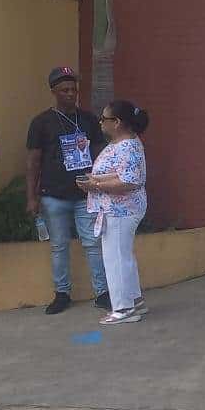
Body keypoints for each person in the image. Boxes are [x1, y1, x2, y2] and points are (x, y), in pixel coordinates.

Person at [26, 67, 110, 315]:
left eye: (73, 89)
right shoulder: (41, 122)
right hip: (53, 195)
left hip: (86, 193)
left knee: (93, 243)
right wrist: (31, 196)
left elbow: (100, 154)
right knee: (59, 246)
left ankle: (102, 292)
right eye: (64, 90)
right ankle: (62, 294)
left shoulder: (88, 119)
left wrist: (101, 185)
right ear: (53, 92)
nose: (70, 94)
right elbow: (33, 161)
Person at [78, 100, 149, 325]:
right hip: (119, 209)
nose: (100, 123)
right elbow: (117, 173)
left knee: (116, 259)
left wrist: (96, 186)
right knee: (123, 256)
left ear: (116, 123)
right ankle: (134, 300)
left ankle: (123, 308)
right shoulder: (124, 143)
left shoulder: (127, 146)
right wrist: (96, 179)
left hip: (121, 210)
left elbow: (128, 181)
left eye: (104, 119)